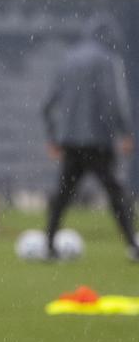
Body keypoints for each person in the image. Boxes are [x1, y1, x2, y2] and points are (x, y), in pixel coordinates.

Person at [42, 14, 138, 261]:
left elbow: (48, 103)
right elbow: (112, 100)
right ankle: (132, 245)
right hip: (99, 143)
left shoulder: (68, 59)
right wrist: (124, 132)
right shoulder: (107, 60)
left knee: (63, 195)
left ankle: (49, 245)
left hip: (71, 142)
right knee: (116, 195)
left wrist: (53, 137)